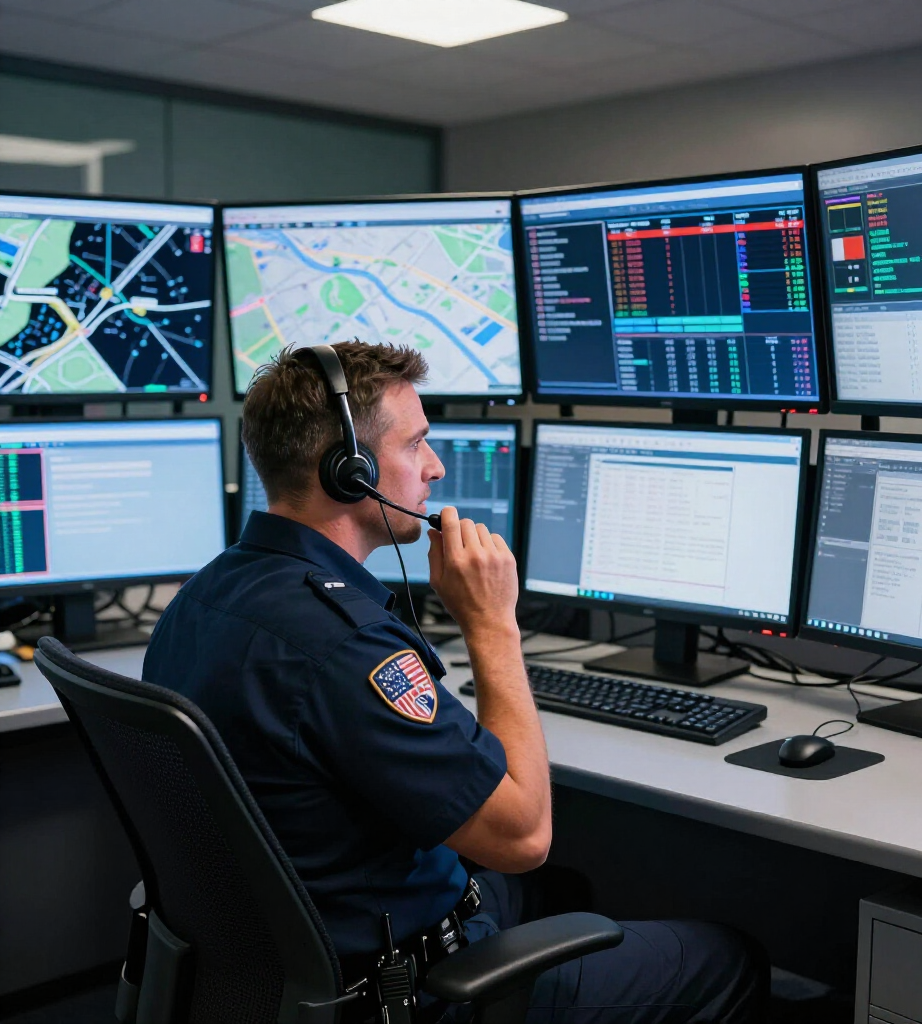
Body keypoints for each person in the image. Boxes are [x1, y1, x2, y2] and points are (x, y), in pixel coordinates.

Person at [143, 340, 767, 1023]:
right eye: (417, 445)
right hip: (402, 988)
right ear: (349, 472)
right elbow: (524, 837)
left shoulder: (200, 598)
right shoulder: (347, 646)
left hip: (278, 965)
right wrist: (493, 625)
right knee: (727, 957)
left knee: (558, 891)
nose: (436, 467)